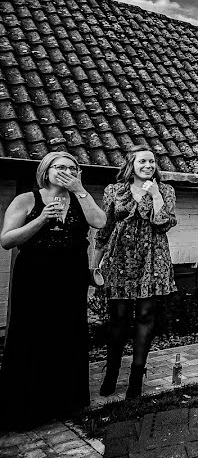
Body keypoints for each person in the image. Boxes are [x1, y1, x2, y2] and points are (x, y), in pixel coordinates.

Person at [0, 152, 106, 430]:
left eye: (73, 168)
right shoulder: (27, 199)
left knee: (67, 334)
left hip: (70, 276)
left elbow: (100, 222)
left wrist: (80, 190)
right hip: (34, 274)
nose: (67, 171)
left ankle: (66, 403)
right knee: (31, 334)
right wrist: (41, 220)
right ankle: (27, 407)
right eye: (60, 167)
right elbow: (7, 240)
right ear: (46, 171)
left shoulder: (81, 198)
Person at [96, 145, 178, 399]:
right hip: (120, 257)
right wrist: (95, 264)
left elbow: (162, 222)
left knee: (145, 315)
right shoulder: (114, 191)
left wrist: (155, 195)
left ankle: (136, 374)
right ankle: (112, 372)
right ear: (131, 164)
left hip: (152, 259)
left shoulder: (165, 190)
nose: (148, 166)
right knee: (118, 317)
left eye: (152, 162)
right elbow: (104, 228)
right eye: (142, 161)